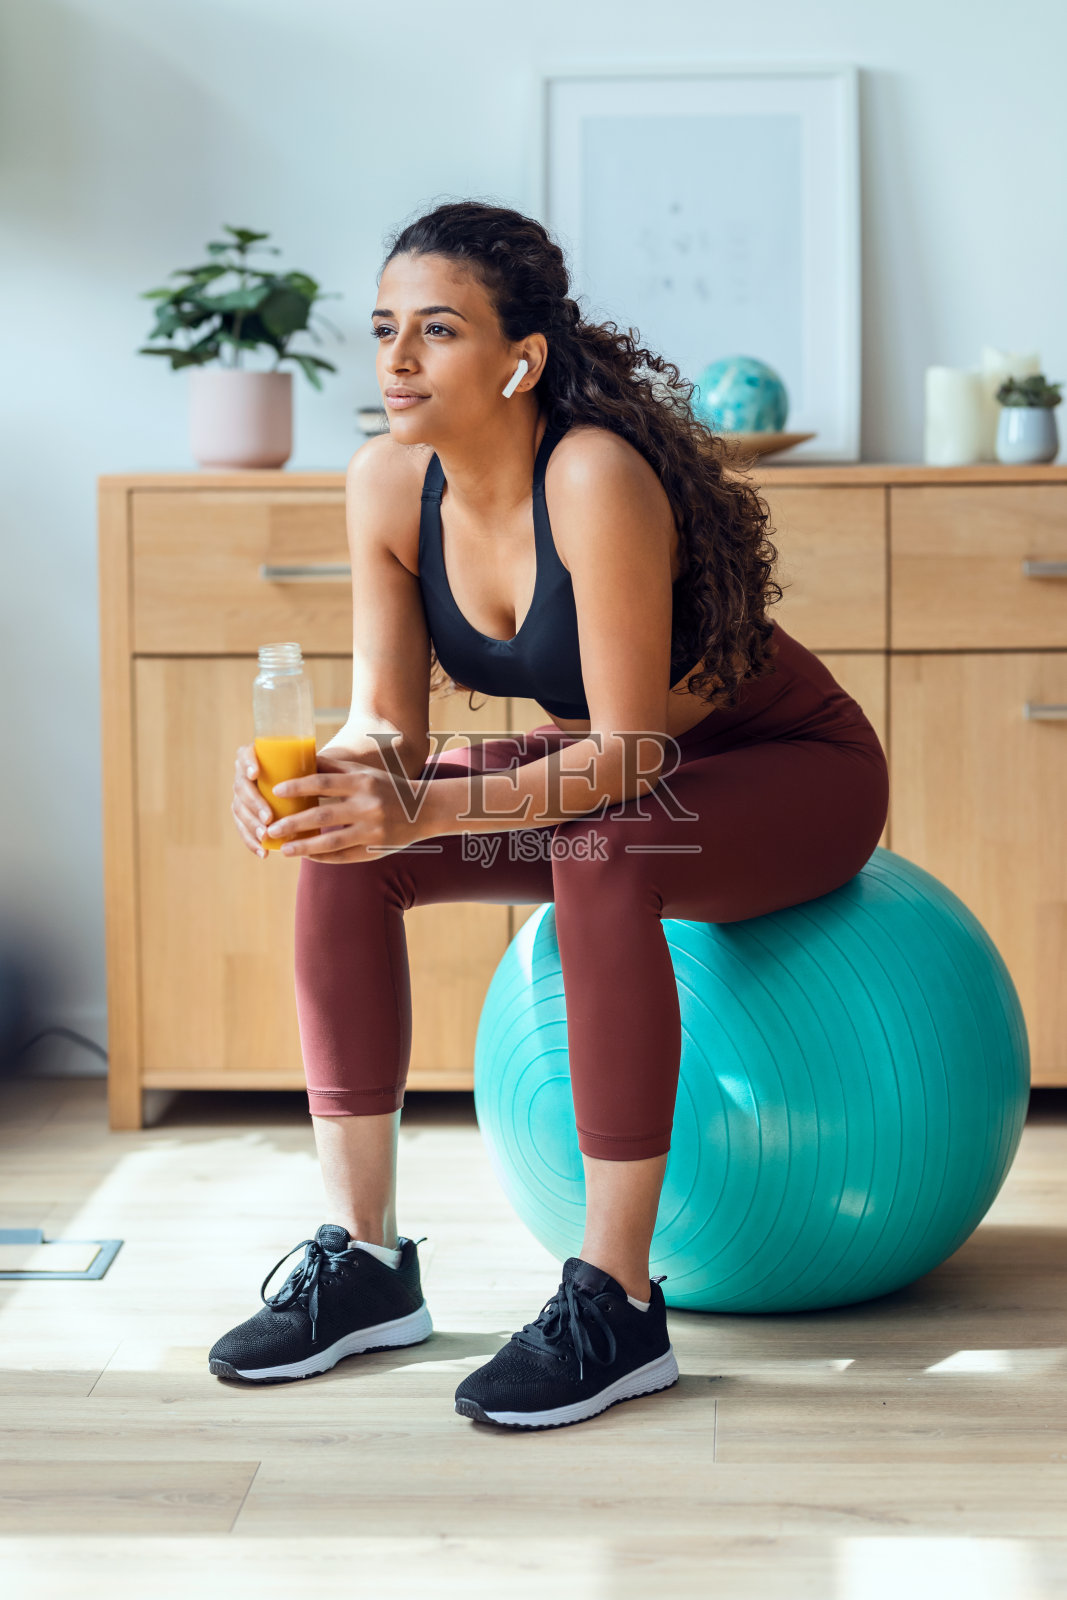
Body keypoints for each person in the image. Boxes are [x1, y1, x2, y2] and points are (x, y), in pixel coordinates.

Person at [210, 200, 888, 1431]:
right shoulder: (383, 481)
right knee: (350, 855)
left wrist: (411, 803)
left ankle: (616, 1303)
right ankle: (363, 1265)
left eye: (436, 330)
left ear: (519, 358)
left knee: (600, 847)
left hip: (788, 765)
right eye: (383, 330)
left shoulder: (588, 472)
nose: (397, 360)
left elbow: (628, 755)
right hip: (607, 764)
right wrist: (330, 782)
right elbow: (389, 725)